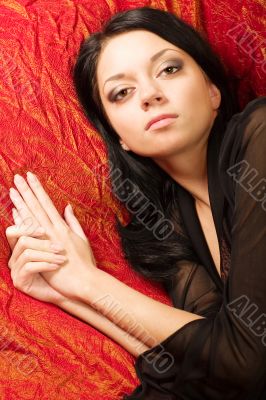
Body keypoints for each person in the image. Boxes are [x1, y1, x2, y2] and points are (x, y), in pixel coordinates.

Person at [5, 6, 266, 399]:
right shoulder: (173, 222)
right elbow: (207, 375)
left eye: (169, 69)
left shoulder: (260, 136)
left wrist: (90, 282)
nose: (150, 94)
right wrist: (65, 293)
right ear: (118, 135)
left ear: (213, 91)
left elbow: (247, 365)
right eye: (121, 92)